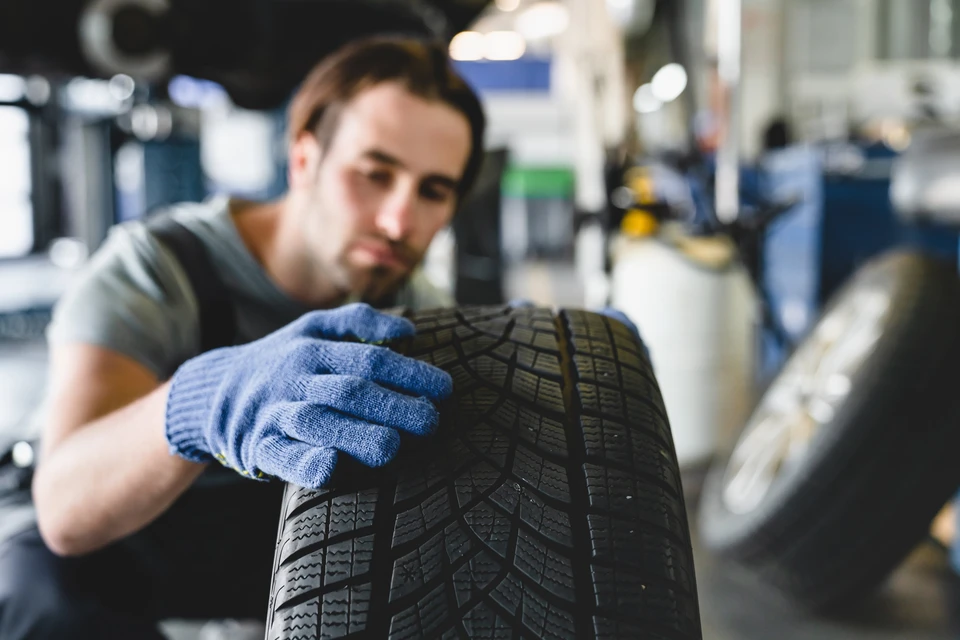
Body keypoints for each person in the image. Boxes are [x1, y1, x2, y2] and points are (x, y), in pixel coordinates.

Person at [0, 36, 486, 639]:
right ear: (304, 157)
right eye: (375, 173)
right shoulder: (158, 269)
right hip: (95, 564)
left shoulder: (419, 311)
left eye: (433, 191)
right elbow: (66, 512)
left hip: (250, 572)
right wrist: (201, 405)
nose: (398, 220)